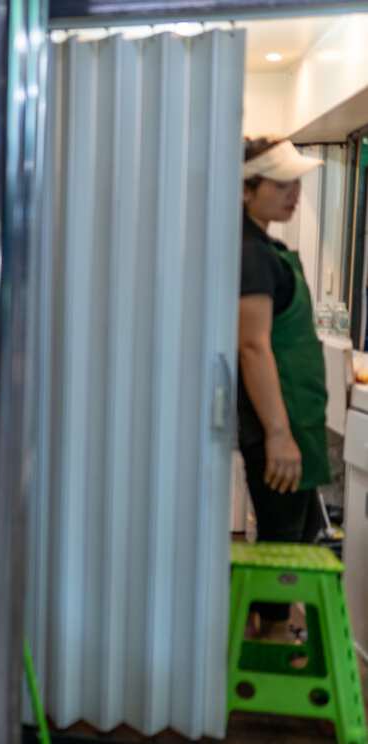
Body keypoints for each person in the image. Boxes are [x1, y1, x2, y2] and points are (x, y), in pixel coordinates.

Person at [238, 138, 330, 641]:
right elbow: (252, 347)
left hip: (295, 422)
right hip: (280, 428)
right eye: (281, 184)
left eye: (296, 183)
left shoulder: (264, 246)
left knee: (292, 535)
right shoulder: (250, 253)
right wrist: (277, 433)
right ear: (248, 189)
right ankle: (268, 642)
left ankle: (267, 629)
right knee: (281, 541)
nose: (294, 193)